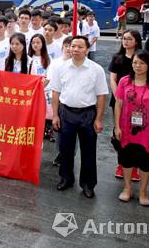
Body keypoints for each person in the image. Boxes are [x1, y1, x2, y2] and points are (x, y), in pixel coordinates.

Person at [51, 36, 108, 199]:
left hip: (87, 114)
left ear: (87, 49)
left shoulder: (96, 69)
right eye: (72, 46)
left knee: (88, 151)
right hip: (66, 112)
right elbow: (56, 92)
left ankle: (88, 185)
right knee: (65, 149)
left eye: (79, 47)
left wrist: (98, 119)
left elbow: (101, 96)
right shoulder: (61, 68)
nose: (74, 49)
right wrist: (55, 115)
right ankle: (66, 179)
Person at [114, 50, 149, 206]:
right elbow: (118, 105)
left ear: (148, 65)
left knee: (144, 162)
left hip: (146, 131)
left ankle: (143, 192)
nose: (138, 66)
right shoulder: (124, 81)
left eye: (142, 63)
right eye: (135, 62)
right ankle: (127, 189)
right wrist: (117, 127)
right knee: (126, 160)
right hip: (126, 128)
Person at [108, 29, 143, 180]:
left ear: (136, 41)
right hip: (119, 103)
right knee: (120, 132)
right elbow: (113, 79)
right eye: (124, 38)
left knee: (137, 132)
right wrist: (119, 97)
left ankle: (135, 166)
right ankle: (121, 164)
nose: (126, 41)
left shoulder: (142, 58)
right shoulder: (117, 58)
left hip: (138, 104)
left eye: (129, 39)